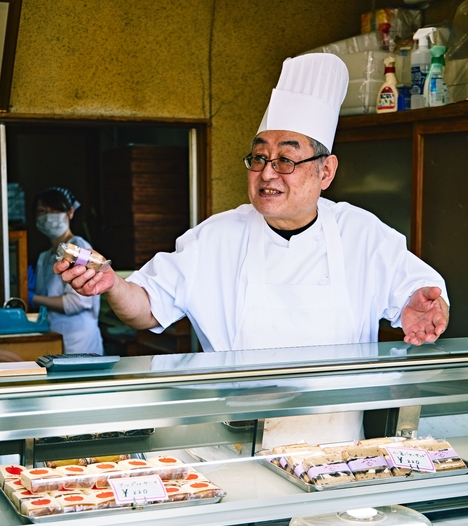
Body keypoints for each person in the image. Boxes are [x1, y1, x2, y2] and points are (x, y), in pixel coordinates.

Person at [54, 54, 449, 441]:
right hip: (235, 443)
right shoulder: (216, 237)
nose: (266, 173)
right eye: (259, 157)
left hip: (336, 455)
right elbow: (146, 306)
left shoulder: (362, 234)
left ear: (325, 172)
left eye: (286, 160)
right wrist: (112, 286)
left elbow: (417, 293)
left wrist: (425, 306)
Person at [30, 186, 104, 354]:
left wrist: (34, 298)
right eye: (42, 210)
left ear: (70, 213)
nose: (48, 216)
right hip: (53, 339)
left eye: (55, 209)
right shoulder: (44, 257)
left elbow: (77, 302)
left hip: (80, 344)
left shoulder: (81, 249)